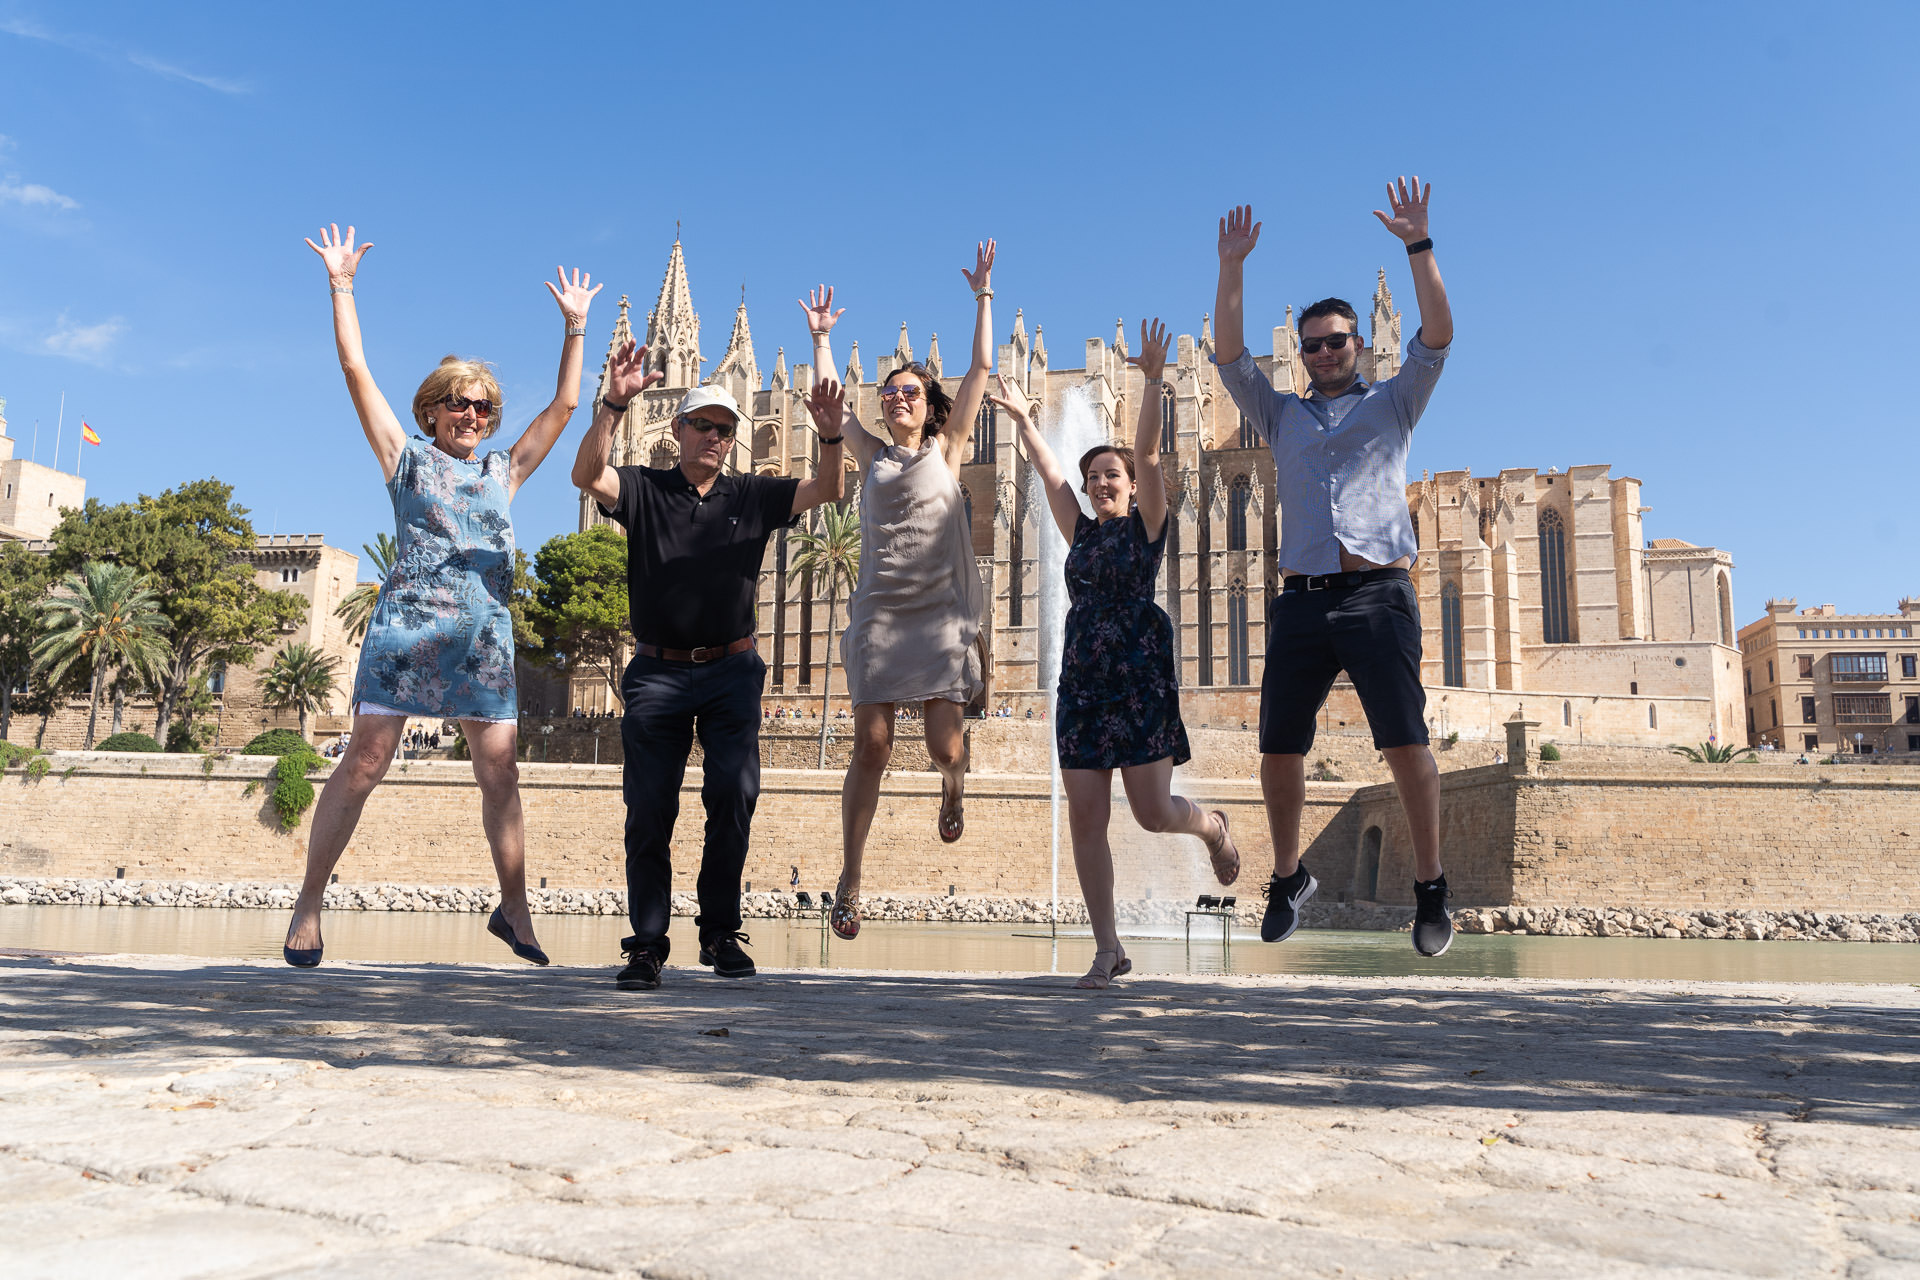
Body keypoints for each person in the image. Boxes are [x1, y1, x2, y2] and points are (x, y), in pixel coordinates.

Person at [282, 225, 600, 969]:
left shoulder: (502, 473)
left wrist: (575, 326)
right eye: (459, 404)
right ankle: (309, 903)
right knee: (365, 761)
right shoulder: (405, 460)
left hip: (483, 642)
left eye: (484, 408)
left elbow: (564, 405)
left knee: (501, 773)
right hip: (407, 634)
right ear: (432, 410)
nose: (473, 417)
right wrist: (341, 284)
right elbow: (355, 368)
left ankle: (514, 908)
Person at [1210, 178, 1456, 957]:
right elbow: (1228, 357)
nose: (1323, 353)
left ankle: (1430, 885)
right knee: (1278, 748)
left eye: (1336, 341)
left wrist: (1418, 245)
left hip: (1379, 593)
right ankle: (1289, 876)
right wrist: (1231, 267)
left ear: (1359, 344)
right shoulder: (1280, 413)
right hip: (1302, 601)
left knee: (1405, 744)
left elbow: (1439, 333)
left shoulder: (1395, 402)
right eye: (1312, 344)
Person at [572, 339, 846, 990]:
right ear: (678, 429)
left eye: (725, 429)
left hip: (731, 670)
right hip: (657, 673)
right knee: (649, 808)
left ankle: (720, 932)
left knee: (734, 795)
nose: (716, 437)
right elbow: (586, 476)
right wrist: (612, 406)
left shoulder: (752, 494)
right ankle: (647, 943)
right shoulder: (642, 488)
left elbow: (829, 490)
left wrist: (832, 437)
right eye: (704, 425)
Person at [989, 321, 1239, 990]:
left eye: (1111, 475)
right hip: (1082, 686)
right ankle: (1108, 949)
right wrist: (1023, 419)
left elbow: (1151, 456)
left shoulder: (1147, 527)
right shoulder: (1078, 533)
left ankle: (1212, 828)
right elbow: (1049, 473)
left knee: (1154, 813)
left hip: (1138, 683)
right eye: (1094, 476)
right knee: (1085, 818)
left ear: (1128, 486)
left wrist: (1153, 381)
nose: (1101, 483)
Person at [798, 244, 995, 941]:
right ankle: (851, 879)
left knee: (945, 747)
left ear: (930, 407)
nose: (896, 398)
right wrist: (821, 339)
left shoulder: (950, 449)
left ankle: (953, 785)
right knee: (872, 746)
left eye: (909, 391)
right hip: (880, 617)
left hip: (939, 620)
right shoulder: (870, 455)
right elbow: (832, 405)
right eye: (888, 392)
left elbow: (979, 370)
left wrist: (983, 298)